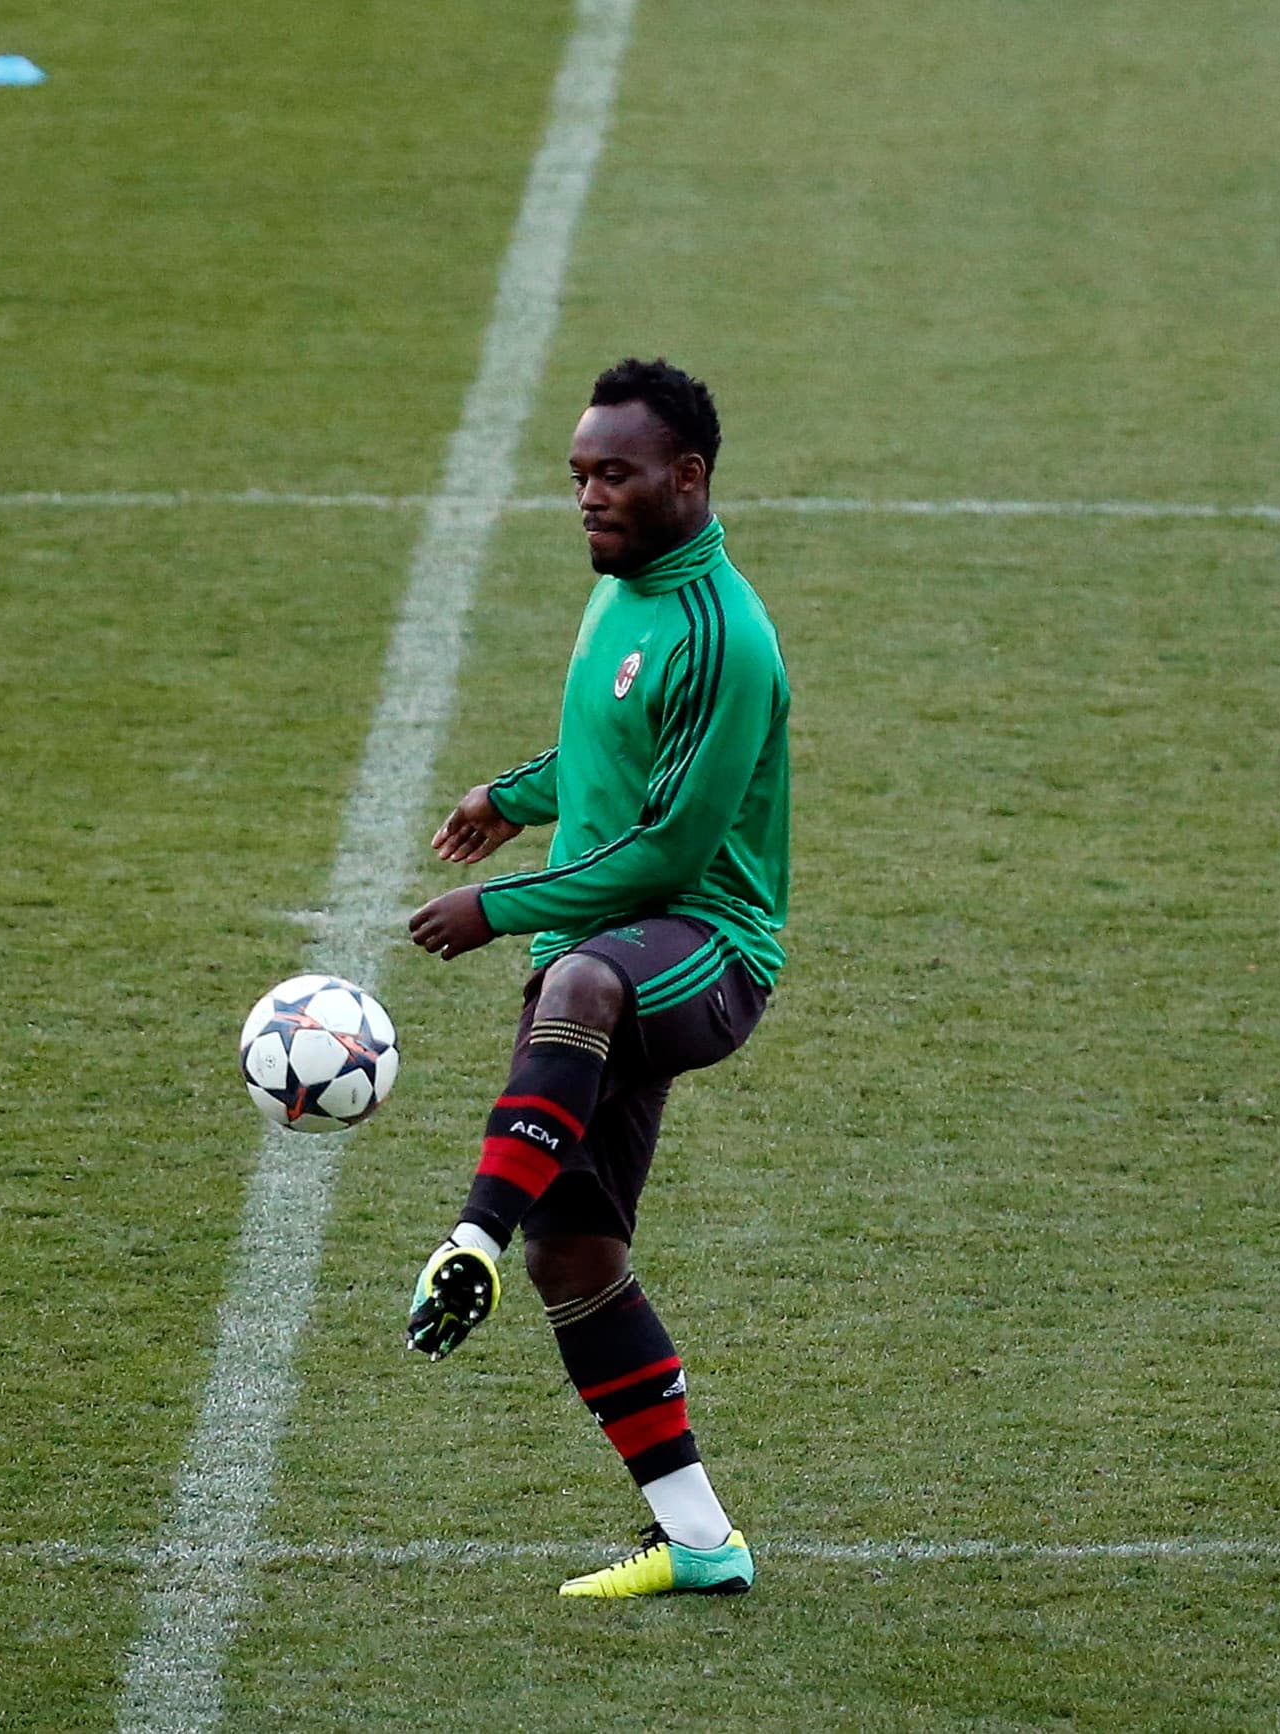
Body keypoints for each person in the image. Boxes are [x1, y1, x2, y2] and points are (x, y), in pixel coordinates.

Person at [402, 357, 790, 1598]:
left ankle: (467, 1233)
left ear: (687, 477)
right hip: (616, 947)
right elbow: (607, 744)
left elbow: (671, 849)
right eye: (576, 477)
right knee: (576, 1261)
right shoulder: (623, 591)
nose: (586, 498)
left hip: (705, 950)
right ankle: (699, 1543)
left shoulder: (726, 635)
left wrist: (496, 910)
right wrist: (511, 798)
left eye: (612, 475)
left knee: (576, 982)